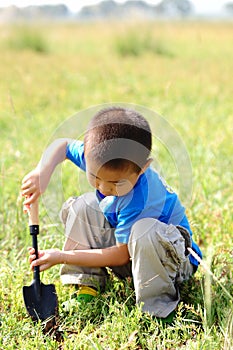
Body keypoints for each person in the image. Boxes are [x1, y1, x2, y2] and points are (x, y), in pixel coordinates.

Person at [21, 106, 202, 322]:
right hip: (134, 254)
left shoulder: (143, 197)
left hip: (174, 261)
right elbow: (63, 146)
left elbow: (120, 255)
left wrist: (62, 257)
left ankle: (158, 309)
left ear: (143, 168)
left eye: (116, 183)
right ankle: (88, 287)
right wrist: (42, 173)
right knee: (84, 206)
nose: (104, 188)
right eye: (95, 177)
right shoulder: (95, 154)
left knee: (144, 231)